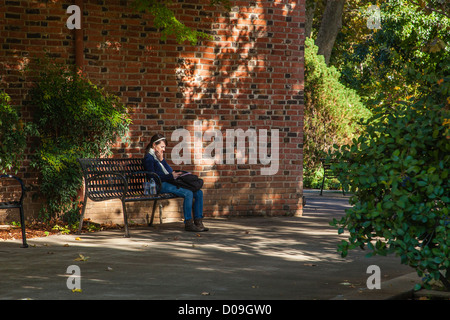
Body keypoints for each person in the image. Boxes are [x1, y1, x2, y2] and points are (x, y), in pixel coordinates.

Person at [142, 133, 208, 232]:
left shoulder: (157, 157)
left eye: (164, 147)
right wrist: (170, 176)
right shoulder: (149, 158)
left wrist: (162, 160)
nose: (164, 149)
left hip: (167, 182)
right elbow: (152, 177)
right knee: (188, 193)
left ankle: (198, 222)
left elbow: (169, 170)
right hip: (159, 185)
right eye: (162, 146)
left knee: (198, 192)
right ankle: (188, 223)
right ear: (154, 145)